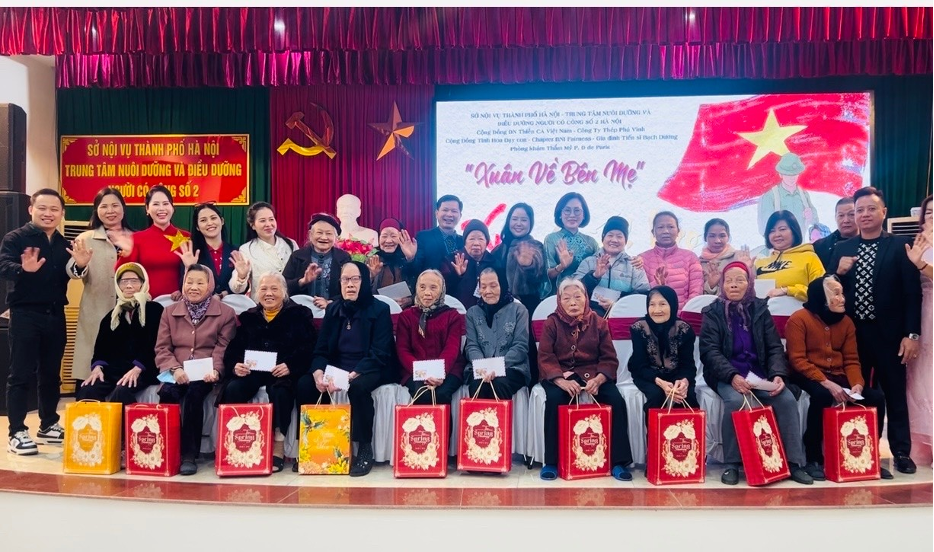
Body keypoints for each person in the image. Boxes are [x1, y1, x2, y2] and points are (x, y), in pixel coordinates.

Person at [830, 187, 921, 474]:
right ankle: (862, 451)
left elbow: (912, 294)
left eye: (871, 208)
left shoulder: (900, 245)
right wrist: (837, 273)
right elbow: (827, 291)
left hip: (891, 336)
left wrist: (912, 335)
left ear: (884, 212)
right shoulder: (842, 249)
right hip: (852, 337)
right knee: (860, 394)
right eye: (859, 210)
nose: (864, 214)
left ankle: (901, 452)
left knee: (895, 394)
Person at [699, 261, 813, 486]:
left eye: (739, 280)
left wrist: (778, 374)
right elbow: (709, 351)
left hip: (759, 374)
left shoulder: (760, 309)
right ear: (722, 285)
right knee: (735, 401)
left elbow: (774, 347)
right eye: (728, 281)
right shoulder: (712, 312)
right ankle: (732, 463)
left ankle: (792, 463)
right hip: (726, 375)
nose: (733, 285)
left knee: (786, 400)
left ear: (749, 284)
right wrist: (732, 376)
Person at [786, 275, 890, 480]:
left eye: (842, 293)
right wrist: (826, 383)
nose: (842, 298)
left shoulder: (847, 322)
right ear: (822, 298)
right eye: (836, 294)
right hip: (806, 373)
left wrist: (857, 384)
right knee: (822, 396)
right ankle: (814, 458)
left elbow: (851, 359)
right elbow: (797, 360)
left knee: (876, 398)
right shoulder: (799, 319)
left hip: (837, 374)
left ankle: (871, 455)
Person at [296, 261, 393, 476]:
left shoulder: (380, 309)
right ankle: (311, 447)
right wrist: (318, 372)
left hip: (370, 367)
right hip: (338, 367)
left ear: (364, 281)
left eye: (355, 279)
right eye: (345, 280)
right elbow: (321, 348)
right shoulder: (333, 309)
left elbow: (380, 352)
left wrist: (353, 374)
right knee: (305, 384)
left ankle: (364, 449)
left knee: (358, 388)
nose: (350, 284)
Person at [1, 189, 80, 454]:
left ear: (62, 213)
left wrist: (80, 265)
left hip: (55, 314)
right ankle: (16, 431)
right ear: (31, 209)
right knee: (20, 374)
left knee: (51, 374)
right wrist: (22, 269)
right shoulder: (16, 238)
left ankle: (48, 424)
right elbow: (3, 265)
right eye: (42, 208)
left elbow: (72, 273)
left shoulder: (64, 243)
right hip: (25, 314)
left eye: (54, 209)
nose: (48, 214)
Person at [537, 278, 633, 482]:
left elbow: (609, 358)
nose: (573, 302)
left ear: (586, 298)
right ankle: (552, 461)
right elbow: (545, 357)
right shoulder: (551, 323)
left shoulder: (599, 323)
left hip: (593, 373)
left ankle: (618, 462)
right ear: (559, 301)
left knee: (615, 400)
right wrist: (560, 380)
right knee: (555, 399)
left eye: (577, 297)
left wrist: (599, 379)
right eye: (566, 298)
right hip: (561, 374)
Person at [221, 272, 317, 473]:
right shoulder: (249, 317)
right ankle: (236, 444)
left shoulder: (299, 314)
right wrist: (236, 365)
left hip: (283, 371)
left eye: (274, 289)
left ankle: (278, 446)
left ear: (284, 292)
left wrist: (291, 365)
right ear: (257, 293)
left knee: (280, 390)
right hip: (254, 371)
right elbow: (234, 349)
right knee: (233, 387)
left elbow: (309, 347)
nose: (269, 293)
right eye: (263, 289)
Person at [155, 264, 237, 475]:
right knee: (167, 393)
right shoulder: (169, 312)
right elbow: (162, 348)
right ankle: (166, 450)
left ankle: (189, 455)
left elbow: (223, 347)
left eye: (200, 283)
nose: (193, 287)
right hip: (177, 370)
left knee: (194, 394)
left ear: (210, 286)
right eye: (189, 282)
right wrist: (174, 369)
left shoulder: (225, 314)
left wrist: (216, 370)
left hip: (206, 372)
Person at [66, 187, 133, 385]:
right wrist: (80, 264)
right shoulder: (86, 238)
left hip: (130, 316)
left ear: (123, 208)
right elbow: (72, 272)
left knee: (125, 378)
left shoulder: (136, 238)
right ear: (96, 210)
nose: (110, 211)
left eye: (115, 205)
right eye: (104, 206)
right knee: (92, 378)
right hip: (96, 314)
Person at [78, 263, 163, 407]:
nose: (129, 286)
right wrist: (97, 368)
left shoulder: (154, 310)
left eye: (134, 281)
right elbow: (101, 349)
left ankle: (125, 423)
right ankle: (95, 423)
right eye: (124, 281)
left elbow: (155, 344)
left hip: (144, 369)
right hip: (114, 370)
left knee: (122, 391)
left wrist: (137, 368)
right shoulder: (112, 316)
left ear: (143, 283)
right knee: (87, 390)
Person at [490, 203, 545, 383]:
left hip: (527, 306)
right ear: (508, 221)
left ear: (530, 223)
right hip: (501, 306)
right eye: (515, 219)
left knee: (527, 346)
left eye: (524, 219)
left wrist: (527, 265)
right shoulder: (500, 249)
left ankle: (531, 386)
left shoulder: (536, 246)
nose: (519, 223)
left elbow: (539, 276)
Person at [629, 286, 699, 422]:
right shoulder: (639, 327)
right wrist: (661, 383)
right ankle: (655, 436)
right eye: (652, 305)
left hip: (677, 375)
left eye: (662, 304)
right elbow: (639, 365)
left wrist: (683, 382)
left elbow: (688, 366)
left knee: (686, 397)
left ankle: (686, 435)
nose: (657, 310)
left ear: (672, 305)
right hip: (648, 375)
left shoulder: (684, 329)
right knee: (656, 396)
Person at [397, 270, 466, 406]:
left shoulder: (452, 316)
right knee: (422, 392)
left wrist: (439, 373)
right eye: (422, 287)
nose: (427, 293)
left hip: (448, 369)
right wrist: (421, 372)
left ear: (442, 290)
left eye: (433, 287)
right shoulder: (406, 316)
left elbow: (452, 349)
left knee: (441, 394)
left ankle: (444, 422)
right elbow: (403, 350)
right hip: (414, 370)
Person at [111, 185, 194, 298]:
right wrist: (126, 254)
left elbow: (197, 273)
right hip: (146, 302)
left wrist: (182, 290)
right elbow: (120, 274)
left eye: (165, 203)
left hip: (180, 302)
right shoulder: (136, 239)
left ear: (172, 207)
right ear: (147, 209)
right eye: (156, 204)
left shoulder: (187, 237)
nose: (161, 208)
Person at [464, 268, 531, 399]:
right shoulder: (472, 313)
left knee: (499, 383)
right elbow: (472, 346)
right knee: (478, 384)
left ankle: (500, 414)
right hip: (480, 368)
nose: (488, 291)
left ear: (503, 285)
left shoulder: (519, 310)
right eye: (483, 287)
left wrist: (497, 367)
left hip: (512, 367)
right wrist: (484, 367)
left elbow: (520, 346)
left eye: (493, 286)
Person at [573, 216, 650, 316]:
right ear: (603, 237)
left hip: (622, 317)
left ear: (625, 241)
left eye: (619, 236)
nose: (614, 240)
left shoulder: (634, 264)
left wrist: (618, 303)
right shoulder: (588, 262)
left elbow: (643, 293)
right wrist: (594, 276)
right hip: (591, 318)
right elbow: (574, 289)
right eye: (610, 235)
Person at [905, 194, 933, 467]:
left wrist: (921, 264)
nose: (932, 216)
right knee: (920, 375)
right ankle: (923, 444)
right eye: (929, 212)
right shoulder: (918, 241)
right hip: (923, 312)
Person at [229, 201, 298, 302]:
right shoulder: (246, 249)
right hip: (263, 305)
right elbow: (236, 289)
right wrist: (241, 276)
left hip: (291, 304)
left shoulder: (290, 244)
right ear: (252, 225)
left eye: (271, 219)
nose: (268, 224)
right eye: (262, 221)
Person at [283, 213, 352, 310]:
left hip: (334, 311)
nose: (324, 237)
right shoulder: (297, 256)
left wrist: (330, 303)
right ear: (310, 235)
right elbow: (282, 286)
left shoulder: (344, 258)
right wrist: (302, 281)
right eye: (319, 232)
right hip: (300, 311)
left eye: (329, 233)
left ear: (335, 238)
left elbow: (351, 287)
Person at [754, 210, 825, 300]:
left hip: (801, 309)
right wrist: (746, 270)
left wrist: (788, 290)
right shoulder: (759, 263)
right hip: (765, 309)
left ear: (794, 231)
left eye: (782, 229)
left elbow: (822, 291)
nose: (777, 234)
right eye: (772, 231)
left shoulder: (809, 258)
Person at [637, 211, 703, 306]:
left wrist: (685, 313)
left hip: (683, 314)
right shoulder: (642, 259)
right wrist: (656, 284)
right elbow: (639, 293)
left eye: (671, 227)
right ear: (653, 232)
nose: (666, 231)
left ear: (678, 231)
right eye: (660, 227)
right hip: (653, 314)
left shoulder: (690, 257)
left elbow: (696, 292)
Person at [543, 192, 598, 292]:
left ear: (584, 215)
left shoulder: (591, 242)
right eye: (567, 210)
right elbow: (547, 276)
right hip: (560, 295)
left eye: (577, 211)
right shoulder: (551, 239)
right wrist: (561, 266)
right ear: (560, 214)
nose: (572, 215)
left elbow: (601, 268)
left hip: (585, 294)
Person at [756, 152, 818, 237]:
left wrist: (811, 217)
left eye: (794, 174)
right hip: (779, 244)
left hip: (801, 243)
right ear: (780, 174)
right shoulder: (770, 196)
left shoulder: (803, 195)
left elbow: (816, 222)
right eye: (788, 174)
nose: (792, 178)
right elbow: (764, 229)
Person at [405, 195, 464, 275]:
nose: (449, 214)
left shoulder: (464, 241)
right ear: (436, 213)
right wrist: (411, 258)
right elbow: (415, 271)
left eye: (454, 211)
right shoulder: (424, 237)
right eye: (445, 210)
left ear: (460, 215)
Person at [445, 219, 496, 308]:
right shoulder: (452, 260)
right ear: (465, 242)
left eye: (481, 239)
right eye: (471, 239)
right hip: (459, 312)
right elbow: (442, 291)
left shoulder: (494, 262)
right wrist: (456, 276)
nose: (476, 243)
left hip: (488, 312)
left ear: (487, 242)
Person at [366, 217, 415, 308]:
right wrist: (371, 276)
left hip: (405, 312)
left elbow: (421, 286)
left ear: (401, 237)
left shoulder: (408, 257)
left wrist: (410, 300)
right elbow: (361, 292)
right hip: (377, 311)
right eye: (384, 236)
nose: (388, 241)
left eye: (393, 236)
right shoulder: (371, 259)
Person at [190, 202, 237, 296]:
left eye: (213, 218)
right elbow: (184, 285)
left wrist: (223, 294)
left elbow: (243, 287)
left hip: (232, 303)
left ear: (222, 221)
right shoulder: (192, 254)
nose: (210, 223)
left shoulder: (236, 252)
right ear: (197, 227)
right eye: (203, 220)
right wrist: (189, 266)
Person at [699, 218, 751, 296]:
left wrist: (747, 269)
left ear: (728, 237)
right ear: (705, 238)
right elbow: (697, 292)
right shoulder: (698, 263)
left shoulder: (740, 257)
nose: (717, 241)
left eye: (722, 236)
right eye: (712, 236)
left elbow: (753, 286)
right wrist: (710, 285)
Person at [813, 197, 858, 269]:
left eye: (851, 214)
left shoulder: (869, 242)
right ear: (835, 217)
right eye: (841, 215)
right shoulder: (820, 246)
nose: (846, 220)